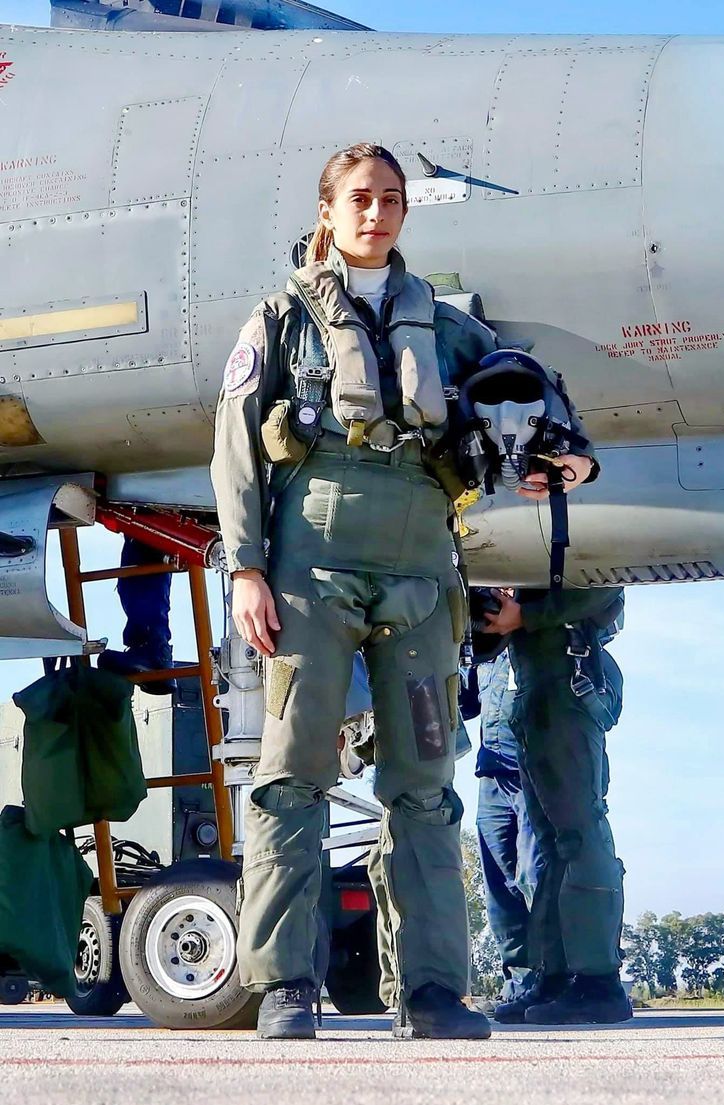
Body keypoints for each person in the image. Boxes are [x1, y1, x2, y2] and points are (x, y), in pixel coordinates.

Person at [209, 142, 597, 1040]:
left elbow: (532, 394)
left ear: (404, 214)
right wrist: (247, 570)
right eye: (359, 198)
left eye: (390, 199)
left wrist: (565, 456)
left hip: (421, 568)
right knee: (293, 776)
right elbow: (233, 450)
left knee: (424, 782)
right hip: (312, 561)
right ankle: (286, 986)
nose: (375, 213)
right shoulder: (279, 320)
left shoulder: (446, 326)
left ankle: (430, 991)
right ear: (329, 210)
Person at [483, 586, 630, 1025]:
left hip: (566, 685)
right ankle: (557, 975)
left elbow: (605, 586)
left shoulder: (574, 528)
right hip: (535, 694)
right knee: (553, 846)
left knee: (580, 835)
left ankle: (599, 981)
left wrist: (524, 616)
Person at [465, 648, 542, 1007]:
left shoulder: (546, 633)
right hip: (492, 774)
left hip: (536, 772)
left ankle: (553, 975)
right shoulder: (487, 653)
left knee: (535, 874)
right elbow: (462, 700)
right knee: (499, 884)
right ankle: (519, 983)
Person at [97, 536, 176, 695]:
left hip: (151, 522)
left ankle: (153, 651)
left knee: (142, 569)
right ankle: (152, 650)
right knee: (133, 578)